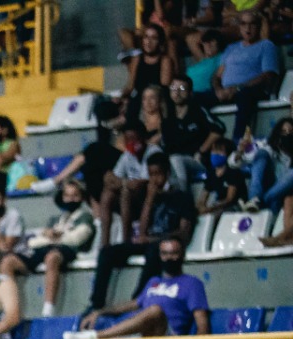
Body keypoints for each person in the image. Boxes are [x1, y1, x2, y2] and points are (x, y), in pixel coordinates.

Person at [70, 237, 209, 339]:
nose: (169, 258)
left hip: (165, 338)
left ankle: (97, 336)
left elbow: (201, 319)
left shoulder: (192, 283)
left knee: (155, 311)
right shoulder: (154, 281)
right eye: (165, 254)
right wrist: (99, 312)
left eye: (174, 253)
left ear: (182, 255)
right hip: (139, 337)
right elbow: (133, 304)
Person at [88, 152, 196, 312]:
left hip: (167, 243)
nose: (154, 180)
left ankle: (137, 299)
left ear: (167, 173)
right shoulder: (148, 197)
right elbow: (143, 231)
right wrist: (149, 200)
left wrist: (152, 239)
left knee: (154, 250)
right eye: (151, 174)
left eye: (158, 174)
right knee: (107, 252)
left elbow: (183, 233)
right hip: (149, 241)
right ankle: (97, 304)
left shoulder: (183, 197)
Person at [0, 179, 95, 317]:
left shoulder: (85, 217)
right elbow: (33, 242)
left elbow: (76, 239)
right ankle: (8, 311)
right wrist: (49, 236)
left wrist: (53, 237)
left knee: (52, 257)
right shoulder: (56, 219)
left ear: (82, 197)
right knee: (8, 261)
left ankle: (48, 309)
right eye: (67, 196)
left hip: (68, 250)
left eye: (75, 195)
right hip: (46, 249)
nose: (70, 199)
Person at [199, 11, 279, 141]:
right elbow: (217, 75)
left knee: (245, 95)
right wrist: (219, 89)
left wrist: (238, 88)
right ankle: (213, 128)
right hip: (226, 90)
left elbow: (268, 75)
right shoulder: (231, 48)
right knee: (196, 98)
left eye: (252, 24)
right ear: (239, 27)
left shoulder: (266, 46)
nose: (248, 28)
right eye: (244, 24)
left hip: (250, 90)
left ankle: (238, 140)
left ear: (258, 26)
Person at [197, 137, 246, 214]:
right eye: (214, 150)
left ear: (228, 154)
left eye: (219, 151)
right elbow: (203, 197)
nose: (215, 153)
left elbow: (229, 199)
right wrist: (202, 207)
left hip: (236, 207)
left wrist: (211, 208)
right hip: (218, 206)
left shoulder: (233, 172)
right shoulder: (211, 173)